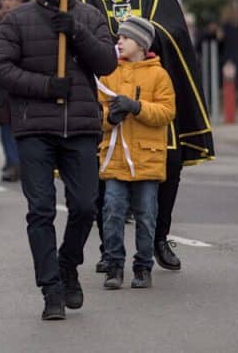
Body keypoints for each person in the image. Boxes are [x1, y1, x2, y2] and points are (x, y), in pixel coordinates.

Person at [75, 0, 215, 272]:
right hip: (104, 92)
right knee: (100, 174)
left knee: (168, 165)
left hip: (149, 89)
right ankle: (111, 249)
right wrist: (106, 45)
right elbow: (77, 32)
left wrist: (142, 40)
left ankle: (158, 238)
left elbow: (176, 32)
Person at [0, 0, 117, 320]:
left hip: (79, 127)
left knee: (84, 206)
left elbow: (107, 64)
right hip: (35, 129)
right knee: (41, 210)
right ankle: (51, 289)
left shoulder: (90, 17)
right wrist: (46, 87)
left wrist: (75, 31)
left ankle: (67, 264)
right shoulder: (19, 20)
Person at [98, 16, 176, 290]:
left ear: (142, 45)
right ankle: (114, 264)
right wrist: (111, 117)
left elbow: (167, 112)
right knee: (112, 210)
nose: (118, 42)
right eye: (118, 38)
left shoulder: (159, 75)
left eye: (125, 39)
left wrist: (137, 107)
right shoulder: (109, 73)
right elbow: (98, 113)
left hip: (147, 157)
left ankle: (143, 266)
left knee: (146, 214)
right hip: (116, 155)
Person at [0, 0, 25, 181]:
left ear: (19, 1)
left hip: (22, 81)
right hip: (2, 84)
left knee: (20, 127)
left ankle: (20, 162)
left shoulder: (26, 19)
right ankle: (12, 162)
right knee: (6, 127)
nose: (7, 3)